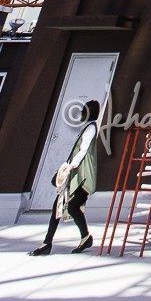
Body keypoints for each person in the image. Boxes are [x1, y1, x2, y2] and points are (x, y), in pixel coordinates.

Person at [31, 100, 101, 256]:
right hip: (77, 174)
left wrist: (71, 166)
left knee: (69, 206)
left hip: (80, 175)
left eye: (83, 111)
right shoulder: (89, 127)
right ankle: (52, 242)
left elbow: (83, 150)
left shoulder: (90, 128)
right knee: (66, 206)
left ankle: (78, 238)